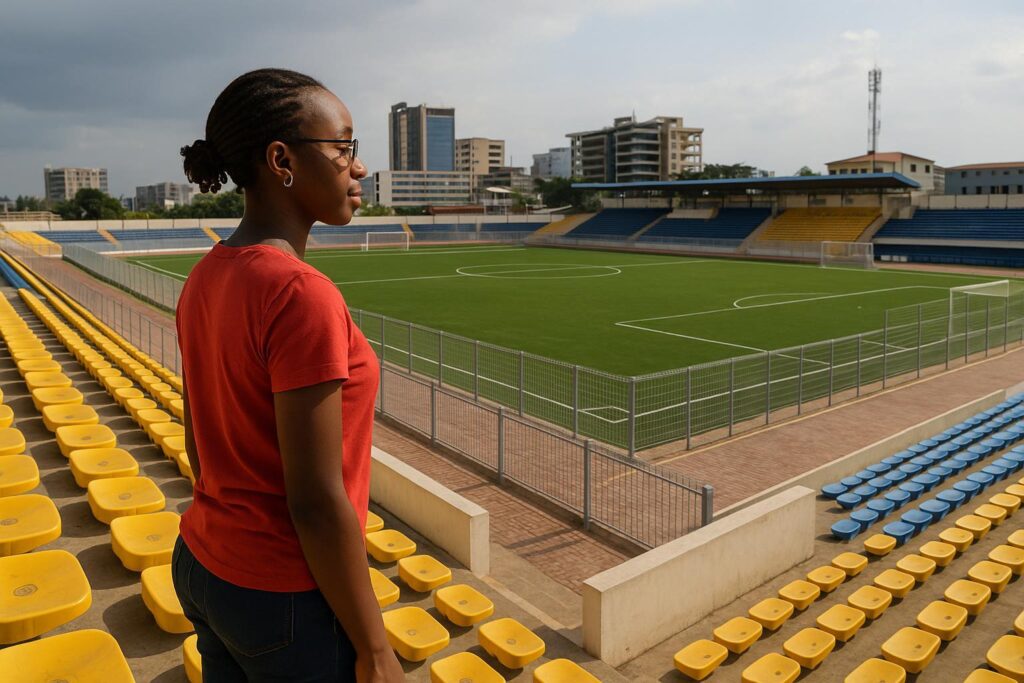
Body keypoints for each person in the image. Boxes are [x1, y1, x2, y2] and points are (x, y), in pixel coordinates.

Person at [173, 68, 404, 682]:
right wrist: (376, 649)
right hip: (283, 598)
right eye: (344, 146)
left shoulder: (204, 276)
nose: (358, 167)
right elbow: (316, 501)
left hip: (204, 564)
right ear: (282, 160)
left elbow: (200, 446)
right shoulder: (301, 293)